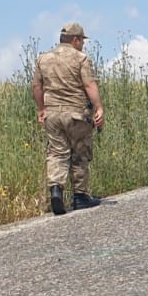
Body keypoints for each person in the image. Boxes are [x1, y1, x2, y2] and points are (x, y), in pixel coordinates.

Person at [32, 22, 106, 214]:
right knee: (80, 153)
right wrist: (98, 108)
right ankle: (80, 197)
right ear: (75, 40)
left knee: (57, 153)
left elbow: (37, 87)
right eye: (82, 40)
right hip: (76, 114)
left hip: (53, 114)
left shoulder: (43, 59)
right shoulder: (81, 59)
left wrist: (42, 109)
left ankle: (56, 190)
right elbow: (89, 85)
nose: (83, 44)